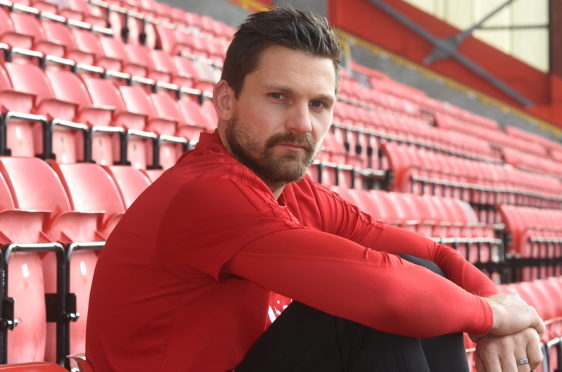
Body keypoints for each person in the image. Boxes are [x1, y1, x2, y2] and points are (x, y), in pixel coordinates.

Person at [86, 8, 545, 372]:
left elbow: (435, 256)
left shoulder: (295, 192)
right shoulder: (206, 192)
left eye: (319, 104)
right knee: (370, 314)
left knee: (420, 279)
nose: (302, 124)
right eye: (278, 96)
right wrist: (493, 317)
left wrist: (499, 312)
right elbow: (387, 294)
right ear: (226, 101)